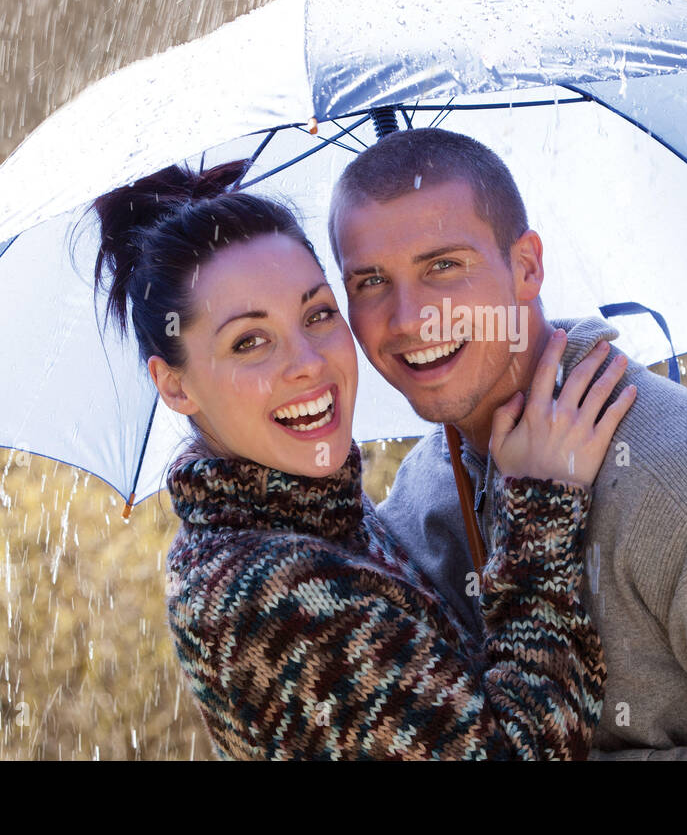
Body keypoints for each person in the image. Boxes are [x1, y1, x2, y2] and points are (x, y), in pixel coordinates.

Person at [328, 127, 687, 760]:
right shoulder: (419, 496)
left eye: (444, 265)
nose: (412, 317)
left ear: (526, 266)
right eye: (371, 282)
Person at [89, 159, 634, 760]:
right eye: (250, 341)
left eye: (318, 314)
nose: (309, 363)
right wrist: (540, 519)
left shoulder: (316, 517)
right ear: (175, 386)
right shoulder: (273, 594)